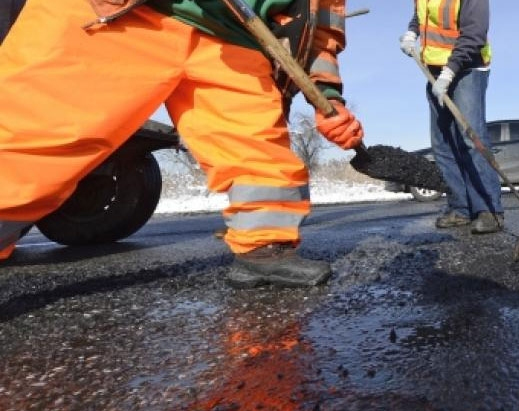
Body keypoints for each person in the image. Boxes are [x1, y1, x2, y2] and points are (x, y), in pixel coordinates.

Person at [0, 0, 364, 288]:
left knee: (258, 152)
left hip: (236, 41)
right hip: (123, 14)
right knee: (35, 132)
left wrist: (328, 97)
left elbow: (322, 31)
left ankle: (265, 249)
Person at [399, 0, 503, 234]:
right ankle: (460, 208)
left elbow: (475, 33)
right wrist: (411, 32)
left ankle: (489, 209)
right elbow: (421, 16)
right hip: (434, 70)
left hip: (467, 68)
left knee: (470, 139)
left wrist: (449, 72)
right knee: (442, 143)